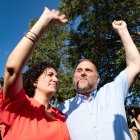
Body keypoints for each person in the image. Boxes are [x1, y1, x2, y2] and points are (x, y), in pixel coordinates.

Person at [58, 20, 140, 140]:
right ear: (73, 77)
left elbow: (135, 65)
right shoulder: (63, 108)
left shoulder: (113, 91)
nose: (83, 73)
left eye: (88, 70)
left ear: (98, 78)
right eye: (79, 70)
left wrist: (122, 31)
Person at [0, 7, 70, 140]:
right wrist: (44, 21)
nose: (56, 79)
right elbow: (12, 70)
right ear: (35, 81)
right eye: (50, 74)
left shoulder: (62, 116)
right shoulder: (19, 105)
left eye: (56, 76)